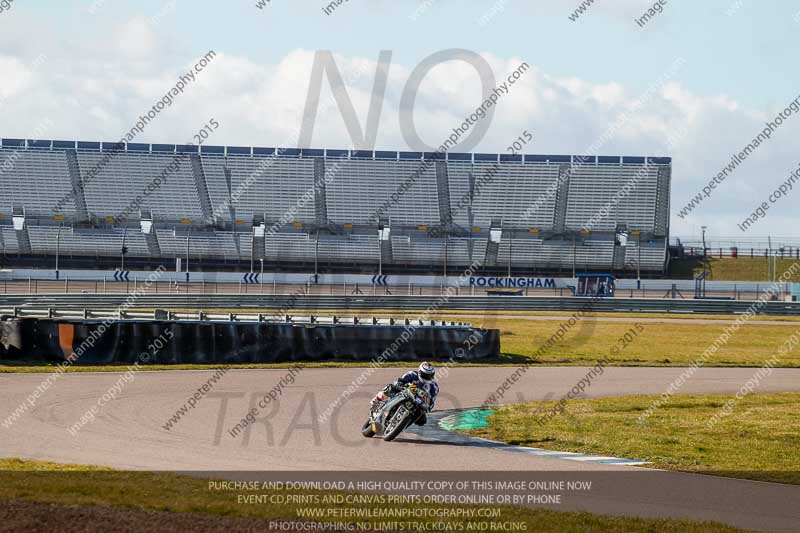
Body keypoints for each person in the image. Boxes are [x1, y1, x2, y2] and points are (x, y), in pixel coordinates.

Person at [371, 362, 439, 426]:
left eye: (430, 375)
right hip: (405, 392)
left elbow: (432, 402)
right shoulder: (412, 374)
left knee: (422, 421)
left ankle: (402, 425)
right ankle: (376, 401)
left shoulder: (434, 387)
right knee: (389, 388)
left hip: (418, 402)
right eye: (425, 375)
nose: (427, 377)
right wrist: (400, 384)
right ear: (420, 372)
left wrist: (428, 407)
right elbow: (399, 381)